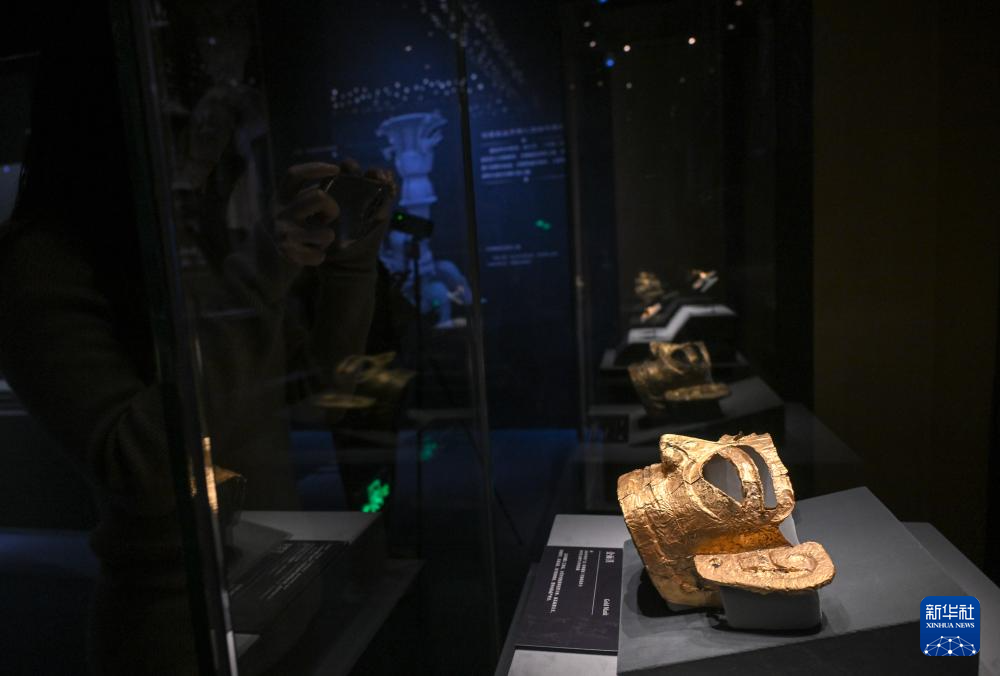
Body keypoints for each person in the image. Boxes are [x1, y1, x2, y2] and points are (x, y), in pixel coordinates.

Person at [0, 3, 394, 673]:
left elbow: (323, 387)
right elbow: (147, 472)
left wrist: (351, 257)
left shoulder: (197, 240)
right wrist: (265, 266)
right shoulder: (40, 262)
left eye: (231, 103)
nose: (218, 132)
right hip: (180, 632)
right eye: (194, 105)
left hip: (279, 593)